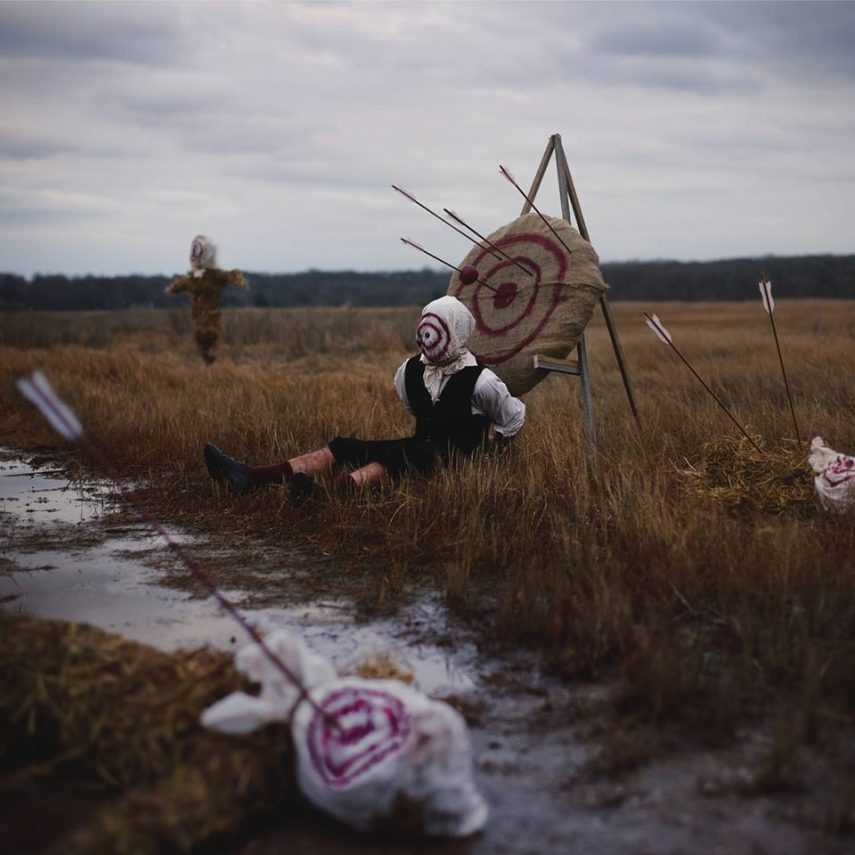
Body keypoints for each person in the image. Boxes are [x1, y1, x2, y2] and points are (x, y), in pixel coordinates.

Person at [203, 296, 525, 505]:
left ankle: (326, 496)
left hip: (457, 462)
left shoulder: (482, 381)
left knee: (404, 453)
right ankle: (251, 477)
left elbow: (512, 419)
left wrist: (494, 453)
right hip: (420, 449)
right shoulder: (409, 371)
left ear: (456, 332)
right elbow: (417, 411)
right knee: (346, 446)